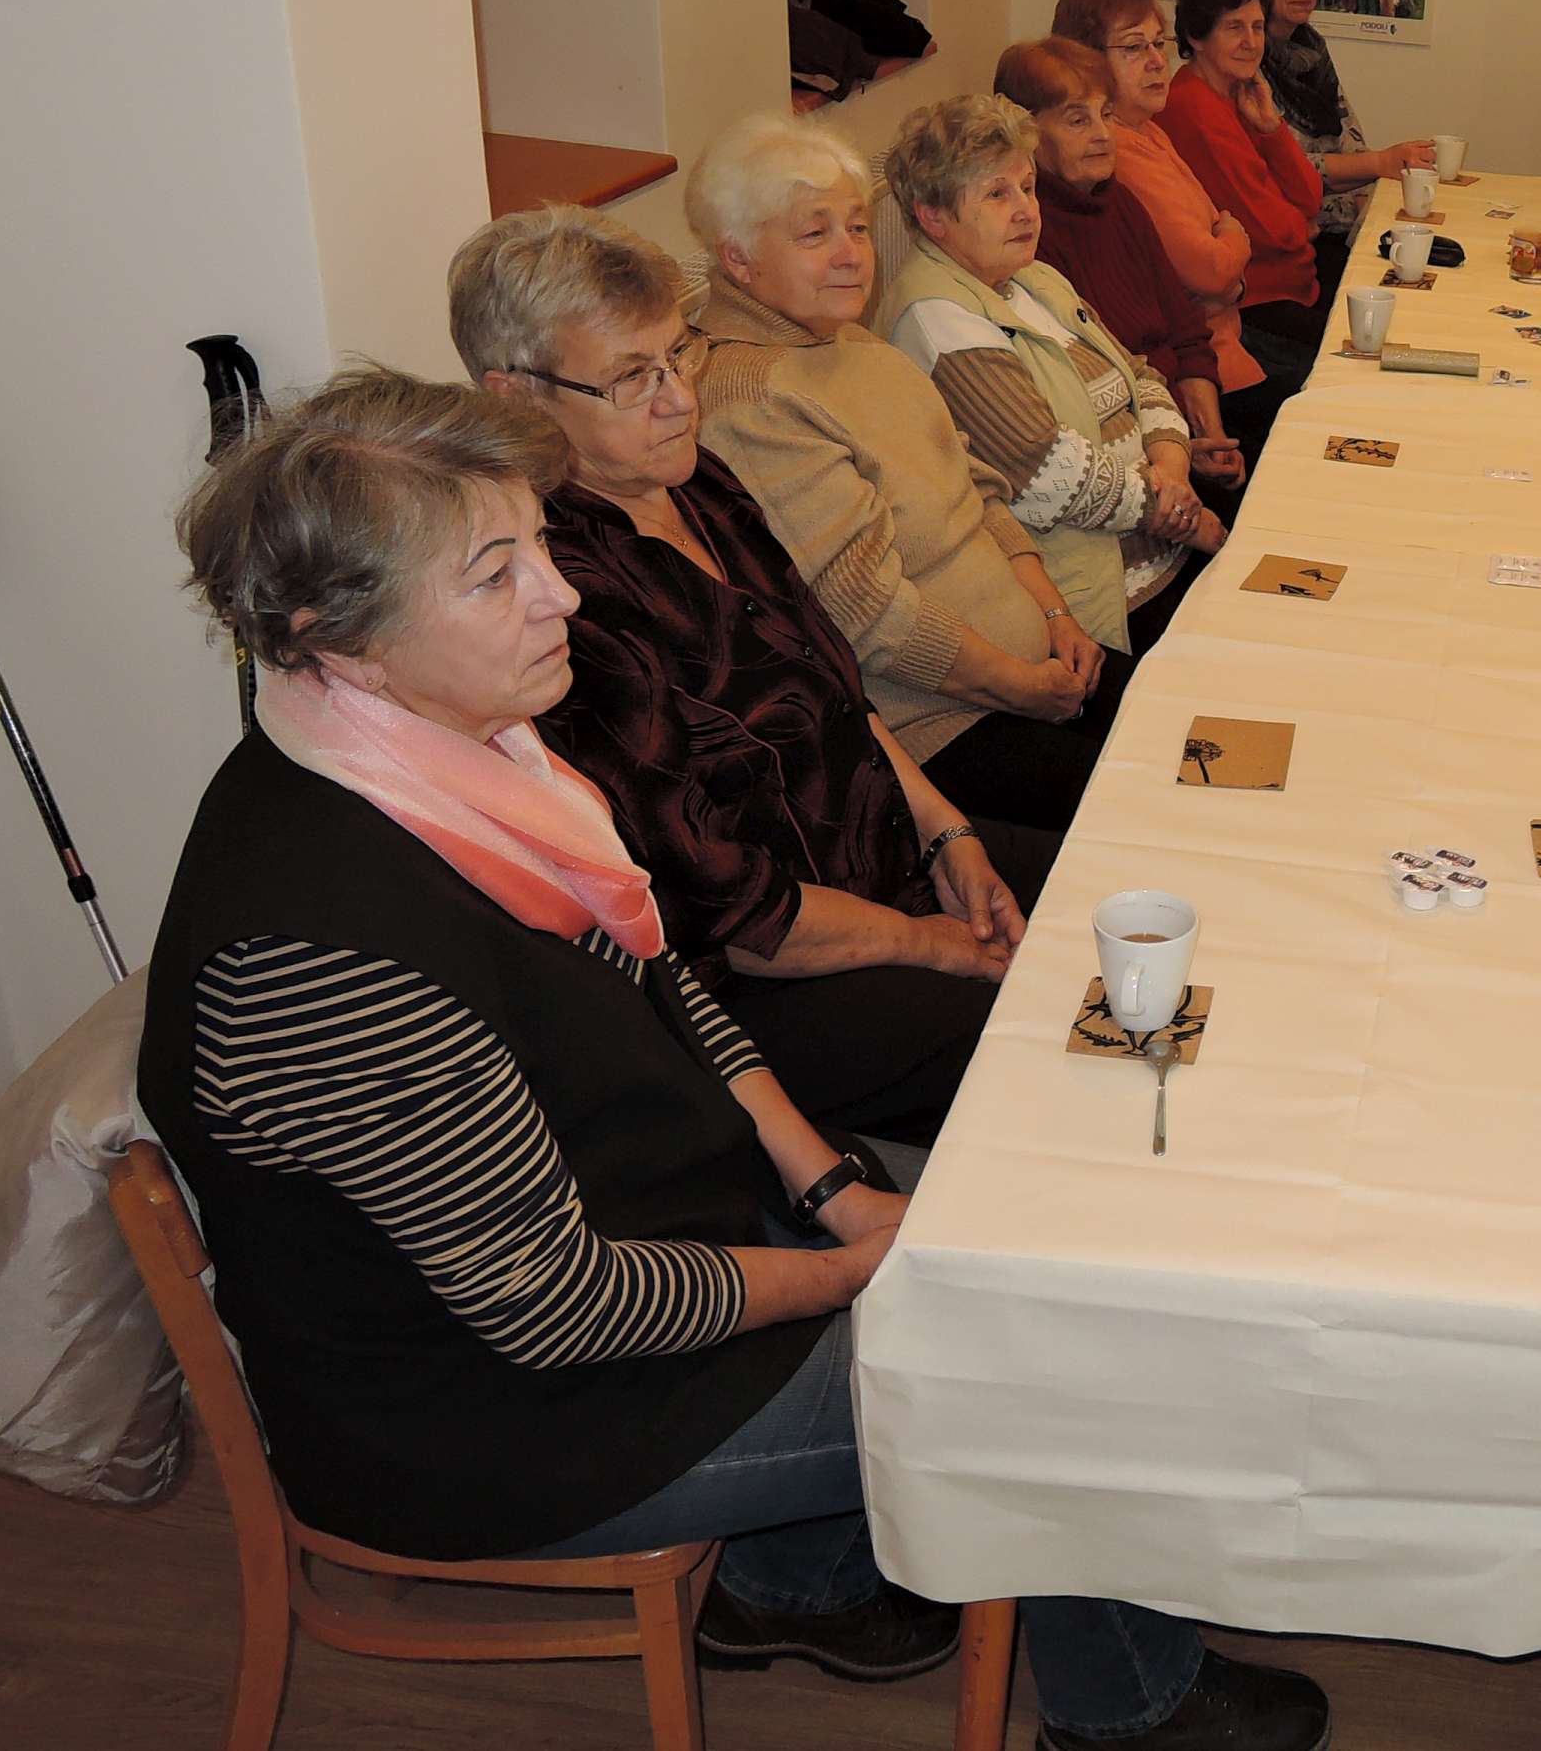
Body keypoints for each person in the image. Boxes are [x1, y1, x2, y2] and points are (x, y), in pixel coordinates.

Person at [138, 370, 1330, 1748]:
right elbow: (554, 1308)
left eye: (541, 544)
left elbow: (663, 979)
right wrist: (843, 1274)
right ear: (338, 643)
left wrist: (829, 1185)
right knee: (1048, 1359)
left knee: (1051, 1230)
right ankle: (1128, 1709)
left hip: (656, 1223)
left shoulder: (465, 762)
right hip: (509, 1416)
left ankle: (794, 1580)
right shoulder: (319, 952)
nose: (561, 595)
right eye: (494, 574)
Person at [448, 207, 1044, 1144]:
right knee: (1062, 1041)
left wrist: (949, 837)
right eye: (631, 378)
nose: (680, 398)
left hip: (891, 861)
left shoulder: (700, 481)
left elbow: (839, 694)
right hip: (770, 989)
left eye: (678, 354)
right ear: (516, 397)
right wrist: (931, 945)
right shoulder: (560, 600)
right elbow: (733, 912)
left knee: (1122, 884)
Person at [683, 115, 1117, 834]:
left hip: (1034, 676)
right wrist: (1023, 686)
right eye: (814, 234)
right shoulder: (749, 397)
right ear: (738, 257)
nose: (852, 255)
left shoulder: (855, 343)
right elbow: (868, 614)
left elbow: (980, 490)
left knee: (1199, 725)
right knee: (1162, 809)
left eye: (857, 228)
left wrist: (1055, 617)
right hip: (943, 728)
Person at [877, 94, 1224, 661]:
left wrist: (1173, 469)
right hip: (1106, 602)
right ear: (933, 216)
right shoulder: (936, 317)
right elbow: (1048, 473)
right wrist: (1185, 517)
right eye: (997, 194)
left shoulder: (1035, 279)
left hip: (1168, 542)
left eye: (1028, 187)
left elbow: (1141, 376)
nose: (1025, 210)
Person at [994, 36, 1244, 486]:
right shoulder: (1028, 234)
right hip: (1127, 459)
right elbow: (1094, 395)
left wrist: (1211, 436)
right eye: (1078, 120)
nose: (1102, 134)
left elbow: (1187, 332)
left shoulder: (1119, 202)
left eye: (1106, 114)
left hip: (1175, 431)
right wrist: (1177, 455)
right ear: (1026, 133)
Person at [1053, 0, 1273, 459]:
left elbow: (1223, 256)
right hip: (1209, 370)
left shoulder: (1149, 132)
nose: (1157, 61)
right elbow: (1213, 269)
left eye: (1159, 44)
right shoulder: (1117, 154)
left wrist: (1227, 258)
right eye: (1134, 48)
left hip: (1221, 351)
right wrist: (1231, 244)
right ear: (1086, 63)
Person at [1157, 0, 1329, 406]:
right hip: (1255, 304)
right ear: (1197, 36)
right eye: (1234, 28)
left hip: (1291, 286)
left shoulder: (1240, 95)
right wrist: (1302, 225)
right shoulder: (1194, 109)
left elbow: (1310, 196)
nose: (1251, 42)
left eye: (1257, 27)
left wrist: (1271, 128)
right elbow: (1274, 231)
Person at [1237, 0, 1433, 247]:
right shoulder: (1241, 61)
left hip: (1335, 232)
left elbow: (1350, 138)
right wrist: (1379, 163)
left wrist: (1372, 181)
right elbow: (1279, 168)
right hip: (1290, 242)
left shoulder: (1310, 48)